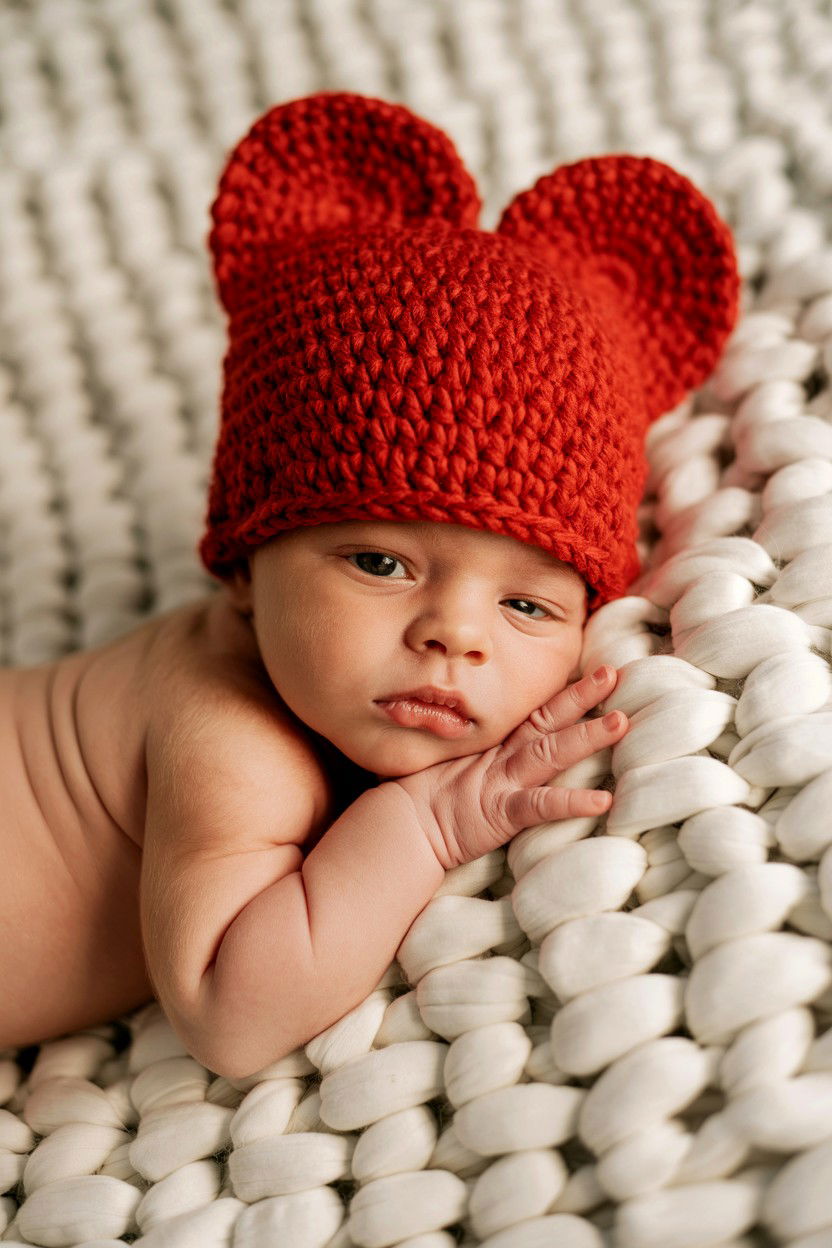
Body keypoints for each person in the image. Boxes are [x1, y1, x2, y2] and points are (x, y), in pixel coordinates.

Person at [0, 92, 739, 1079]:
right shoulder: (231, 736)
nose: (454, 635)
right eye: (381, 564)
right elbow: (229, 1014)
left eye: (527, 605)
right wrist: (427, 824)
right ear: (244, 570)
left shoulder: (298, 679)